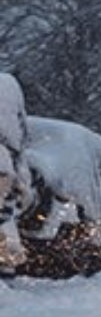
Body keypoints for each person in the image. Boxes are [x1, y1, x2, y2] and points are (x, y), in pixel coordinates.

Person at [0, 72, 31, 274]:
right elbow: (23, 135)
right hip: (5, 166)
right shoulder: (9, 86)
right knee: (5, 216)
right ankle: (6, 262)